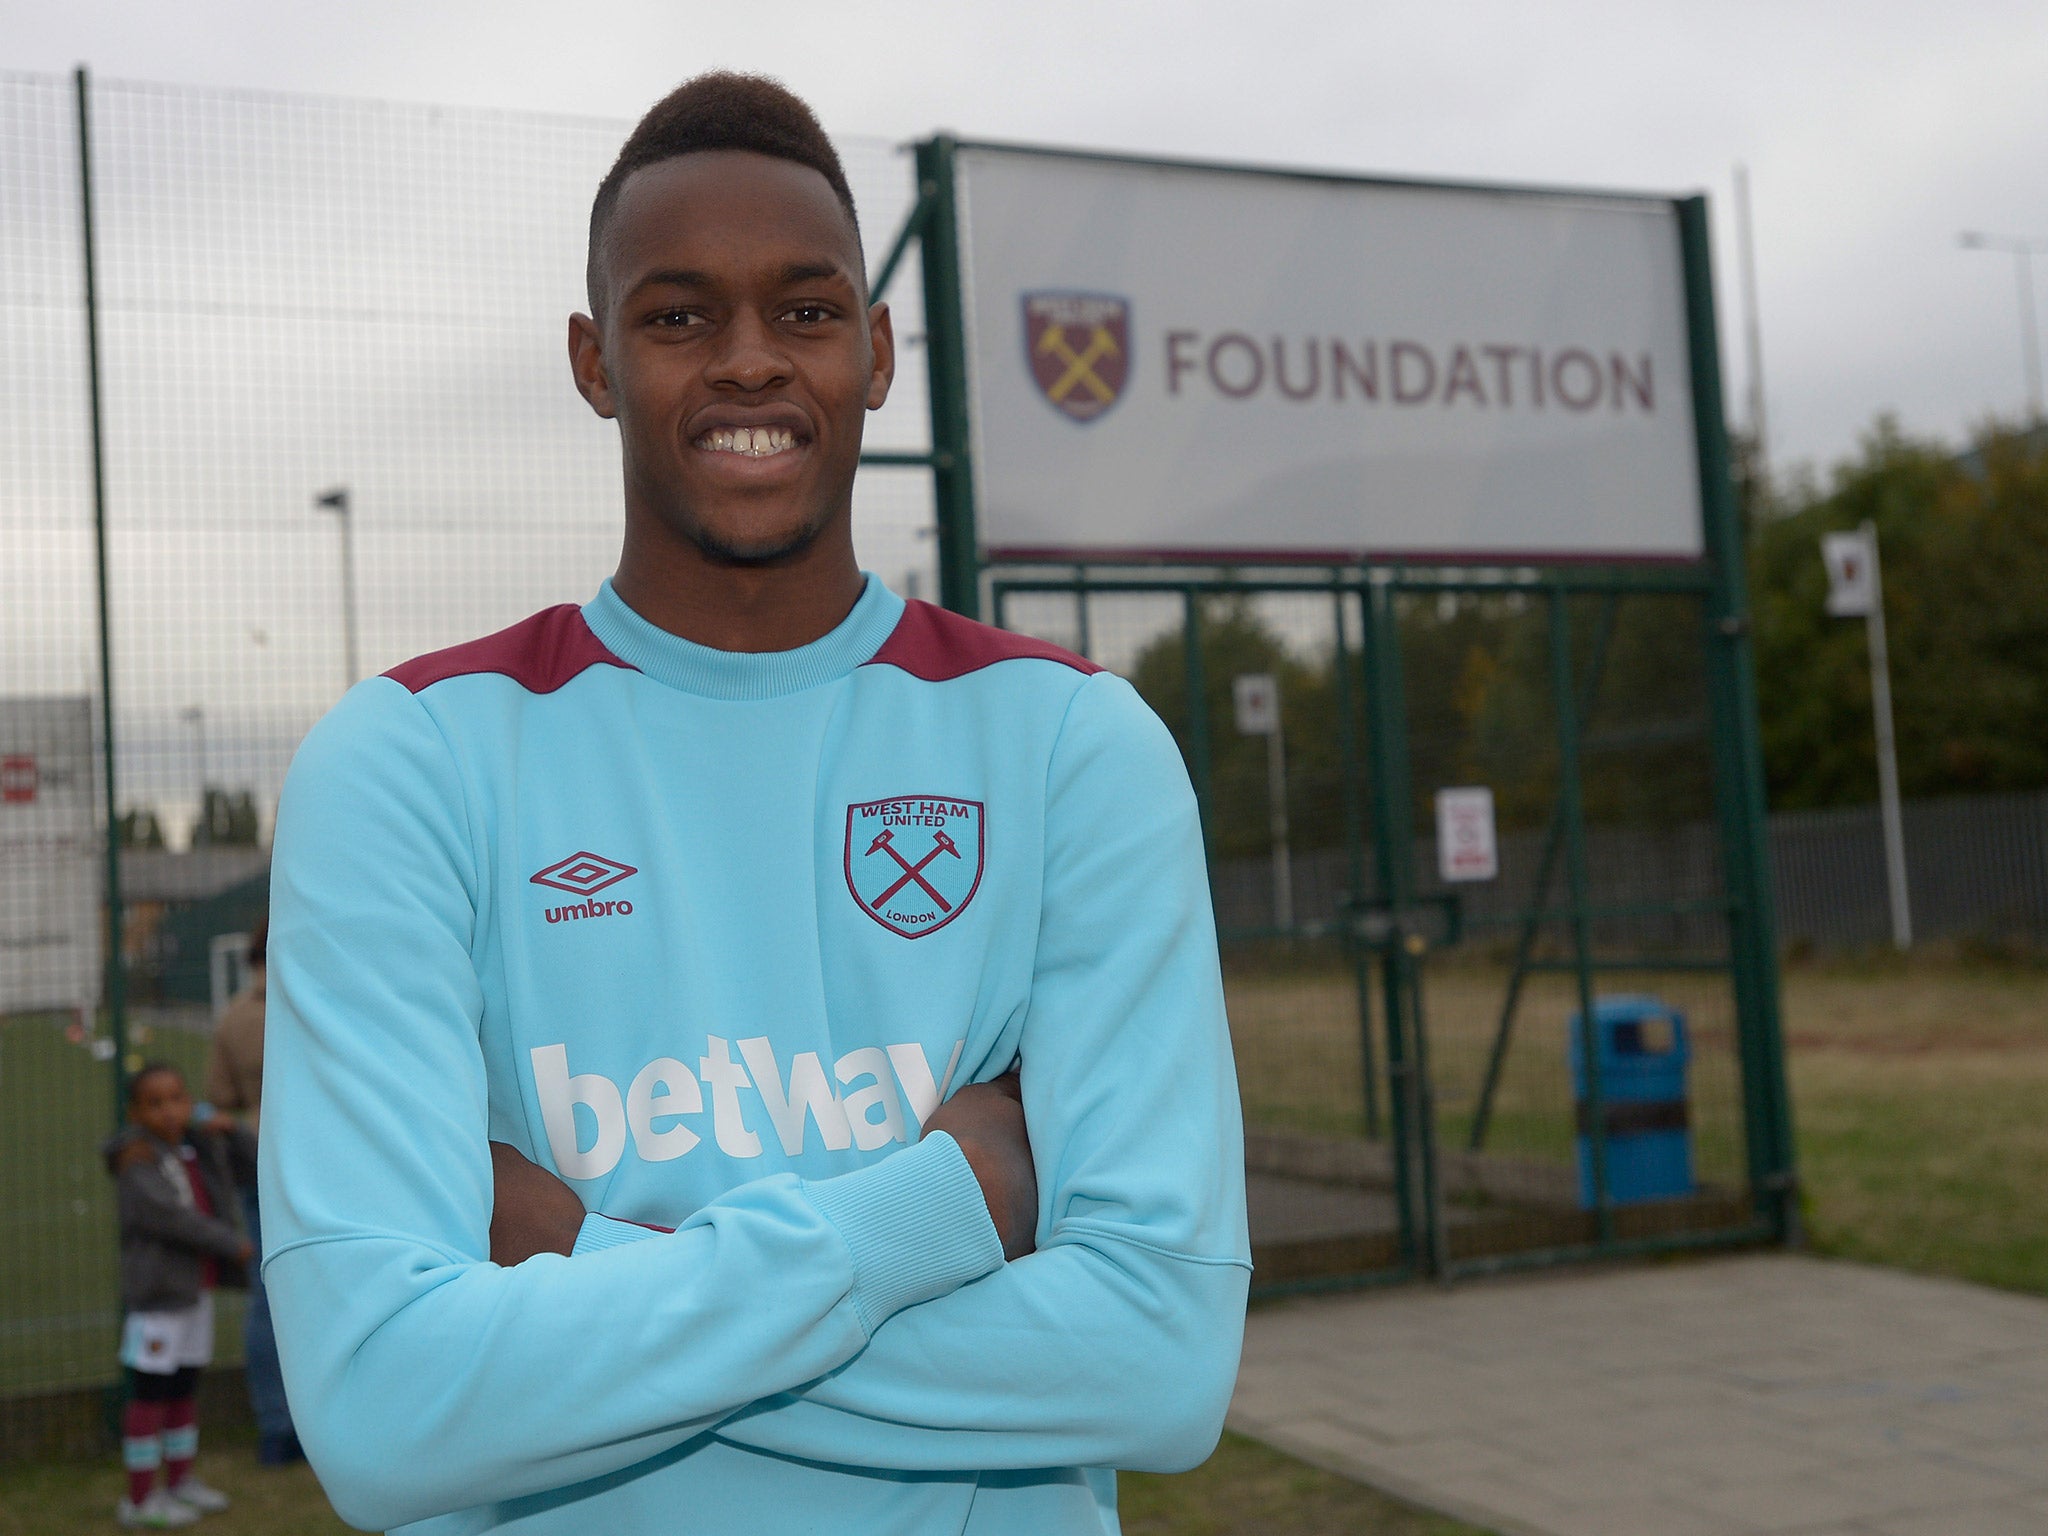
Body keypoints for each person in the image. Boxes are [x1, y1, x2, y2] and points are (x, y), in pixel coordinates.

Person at [262, 70, 1249, 1536]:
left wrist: (583, 1260)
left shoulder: (1069, 745)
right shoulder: (413, 758)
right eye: (677, 317)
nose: (748, 362)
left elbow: (1158, 1363)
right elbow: (386, 1409)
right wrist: (933, 1210)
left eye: (803, 310)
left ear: (877, 348)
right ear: (595, 363)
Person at [104, 1062, 252, 1529]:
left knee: (184, 1390)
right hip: (159, 1298)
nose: (170, 1111)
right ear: (135, 1111)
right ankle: (140, 1499)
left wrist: (232, 1129)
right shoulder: (137, 1159)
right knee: (151, 1395)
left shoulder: (193, 1146)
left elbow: (251, 1164)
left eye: (177, 1099)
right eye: (155, 1102)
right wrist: (234, 1245)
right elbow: (169, 1217)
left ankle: (180, 1483)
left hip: (194, 1292)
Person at [201, 915, 300, 1465]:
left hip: (263, 1163)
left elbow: (219, 1099)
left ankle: (274, 1427)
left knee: (267, 1298)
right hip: (324, 1164)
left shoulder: (235, 1019)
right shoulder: (313, 1003)